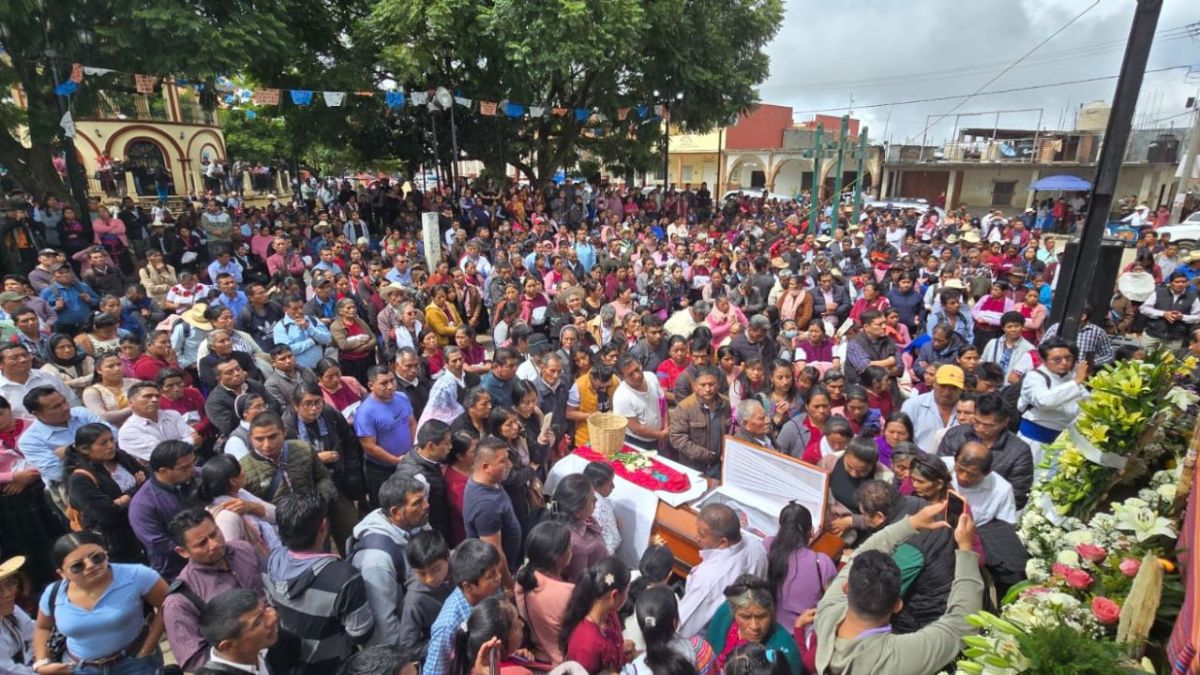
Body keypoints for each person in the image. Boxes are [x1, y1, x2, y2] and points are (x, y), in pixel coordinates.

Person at [813, 503, 982, 675]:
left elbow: (857, 556)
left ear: (846, 588)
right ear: (897, 605)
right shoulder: (893, 658)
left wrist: (912, 523)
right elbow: (962, 624)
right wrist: (966, 550)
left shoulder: (826, 613)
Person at [264, 492, 374, 675]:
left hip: (286, 664)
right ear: (323, 526)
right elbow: (359, 633)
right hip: (331, 666)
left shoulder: (269, 563)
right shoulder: (344, 578)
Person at [33, 532, 170, 675]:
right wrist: (42, 663)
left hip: (135, 663)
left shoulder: (137, 575)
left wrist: (147, 649)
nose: (90, 565)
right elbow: (42, 627)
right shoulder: (53, 593)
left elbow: (168, 606)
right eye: (78, 566)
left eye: (97, 557)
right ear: (62, 573)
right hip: (78, 668)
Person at [162, 508, 267, 673]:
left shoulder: (243, 550)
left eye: (214, 533)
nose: (214, 544)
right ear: (182, 552)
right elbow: (193, 660)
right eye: (202, 543)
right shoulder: (179, 601)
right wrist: (246, 651)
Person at [349, 473, 430, 650]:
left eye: (424, 499)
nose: (426, 506)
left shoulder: (416, 524)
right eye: (418, 503)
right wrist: (404, 660)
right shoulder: (376, 560)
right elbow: (383, 626)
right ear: (395, 512)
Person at [678, 503, 768, 638]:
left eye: (702, 534)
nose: (696, 537)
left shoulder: (708, 579)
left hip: (708, 638)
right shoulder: (756, 546)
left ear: (723, 542)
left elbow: (683, 624)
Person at [18, 386, 109, 513]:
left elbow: (113, 435)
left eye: (64, 401)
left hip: (111, 467)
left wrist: (70, 450)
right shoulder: (30, 440)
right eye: (56, 407)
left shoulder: (81, 413)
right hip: (76, 486)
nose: (65, 408)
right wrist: (96, 448)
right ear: (36, 414)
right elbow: (58, 472)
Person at [63, 423, 145, 562]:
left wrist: (125, 498)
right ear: (84, 449)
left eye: (111, 440)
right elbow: (107, 514)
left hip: (143, 524)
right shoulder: (80, 478)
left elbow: (147, 479)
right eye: (103, 443)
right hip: (117, 541)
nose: (110, 445)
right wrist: (136, 490)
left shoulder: (122, 457)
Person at [936, 392, 1033, 509]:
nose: (980, 429)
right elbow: (937, 471)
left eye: (988, 425)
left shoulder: (1019, 451)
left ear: (1004, 422)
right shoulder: (955, 435)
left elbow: (1018, 496)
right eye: (976, 422)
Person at [423, 539, 504, 675]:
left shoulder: (492, 591)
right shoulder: (447, 626)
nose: (499, 577)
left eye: (497, 570)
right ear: (468, 586)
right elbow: (434, 672)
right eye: (491, 575)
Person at [704, 575, 802, 674]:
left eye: (762, 616)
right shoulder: (724, 614)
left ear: (772, 613)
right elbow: (707, 654)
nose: (754, 626)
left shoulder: (784, 650)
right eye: (745, 617)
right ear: (733, 613)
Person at [128, 440, 197, 579]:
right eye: (185, 467)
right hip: (177, 571)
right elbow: (158, 544)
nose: (192, 469)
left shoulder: (198, 477)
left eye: (193, 463)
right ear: (163, 471)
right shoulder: (143, 504)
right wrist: (199, 549)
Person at [1018, 338, 1089, 467]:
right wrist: (1077, 382)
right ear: (1044, 360)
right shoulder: (1035, 377)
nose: (1064, 363)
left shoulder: (1071, 377)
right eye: (1057, 359)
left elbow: (1086, 404)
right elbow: (1044, 401)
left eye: (1068, 358)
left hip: (1061, 441)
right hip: (1034, 440)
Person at [765, 503, 836, 630]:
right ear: (811, 531)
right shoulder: (821, 562)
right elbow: (835, 601)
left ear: (780, 527)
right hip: (803, 635)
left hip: (767, 628)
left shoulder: (766, 545)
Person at [240, 412, 336, 506]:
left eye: (273, 437)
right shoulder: (242, 470)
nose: (267, 445)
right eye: (259, 439)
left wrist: (320, 503)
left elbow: (323, 477)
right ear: (250, 438)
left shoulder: (303, 449)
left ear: (284, 432)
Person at [514, 520, 575, 664]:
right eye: (569, 547)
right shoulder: (566, 593)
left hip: (538, 656)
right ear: (556, 557)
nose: (572, 550)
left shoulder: (523, 576)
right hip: (564, 662)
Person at [195, 454, 281, 557]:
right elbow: (232, 556)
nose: (244, 471)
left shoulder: (241, 494)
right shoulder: (226, 517)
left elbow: (277, 515)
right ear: (233, 481)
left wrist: (252, 507)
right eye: (240, 468)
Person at [464, 436, 521, 588]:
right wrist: (509, 587)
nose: (509, 465)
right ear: (486, 467)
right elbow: (495, 556)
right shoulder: (486, 506)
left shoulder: (491, 482)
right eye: (503, 461)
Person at [355, 366, 416, 505]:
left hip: (407, 461)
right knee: (386, 506)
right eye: (384, 383)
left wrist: (412, 450)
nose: (390, 387)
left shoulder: (402, 397)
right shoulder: (365, 413)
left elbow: (412, 423)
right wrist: (396, 460)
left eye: (392, 381)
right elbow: (370, 447)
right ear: (371, 385)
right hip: (381, 470)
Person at [560, 557, 633, 672]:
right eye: (626, 590)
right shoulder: (587, 646)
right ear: (614, 595)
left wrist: (620, 650)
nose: (627, 594)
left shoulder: (610, 615)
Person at [397, 530, 453, 665]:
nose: (430, 579)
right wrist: (444, 643)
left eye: (436, 569)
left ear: (447, 557)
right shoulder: (414, 601)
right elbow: (408, 648)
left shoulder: (462, 565)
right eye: (422, 573)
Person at [194, 588, 279, 675]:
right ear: (227, 645)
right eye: (258, 621)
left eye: (265, 608)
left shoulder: (271, 636)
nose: (273, 616)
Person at [394, 419, 452, 539]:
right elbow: (417, 516)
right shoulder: (417, 478)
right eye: (446, 443)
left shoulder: (422, 456)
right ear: (431, 446)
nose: (450, 447)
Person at [448, 596, 535, 675]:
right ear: (499, 644)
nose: (522, 624)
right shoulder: (520, 673)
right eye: (516, 626)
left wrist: (514, 657)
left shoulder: (467, 664)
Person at [669, 366, 729, 477]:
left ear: (718, 385)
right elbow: (677, 437)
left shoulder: (725, 403)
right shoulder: (685, 407)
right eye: (703, 385)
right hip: (694, 466)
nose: (708, 389)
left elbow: (730, 431)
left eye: (711, 384)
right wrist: (704, 454)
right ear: (695, 386)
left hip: (719, 465)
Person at [117, 382, 198, 464]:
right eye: (148, 396)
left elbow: (197, 438)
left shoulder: (172, 415)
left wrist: (186, 442)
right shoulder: (129, 431)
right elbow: (163, 455)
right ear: (131, 403)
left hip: (189, 463)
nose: (155, 399)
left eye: (157, 396)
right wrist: (190, 441)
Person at [951, 441, 1017, 526]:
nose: (962, 477)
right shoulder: (944, 466)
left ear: (987, 473)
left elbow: (1005, 529)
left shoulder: (1002, 491)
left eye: (972, 474)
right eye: (959, 469)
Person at [3, 343, 79, 417]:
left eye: (25, 355)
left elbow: (72, 402)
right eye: (14, 358)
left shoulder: (48, 377)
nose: (23, 360)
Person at [900, 364, 962, 451]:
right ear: (934, 384)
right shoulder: (912, 405)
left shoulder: (966, 410)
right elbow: (901, 438)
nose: (947, 392)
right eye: (943, 386)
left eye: (953, 388)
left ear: (961, 390)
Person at [613, 354, 667, 451]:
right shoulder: (621, 397)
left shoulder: (651, 377)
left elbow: (662, 402)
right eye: (630, 374)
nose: (637, 376)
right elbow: (636, 429)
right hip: (638, 443)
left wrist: (666, 427)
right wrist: (661, 435)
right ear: (622, 377)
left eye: (637, 369)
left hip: (660, 436)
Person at [1140, 271, 1200, 350]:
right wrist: (1163, 313)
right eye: (1177, 282)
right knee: (1144, 358)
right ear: (1171, 282)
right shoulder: (1159, 292)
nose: (1180, 284)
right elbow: (1144, 308)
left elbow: (1198, 317)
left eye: (1183, 282)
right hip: (1153, 334)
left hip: (1175, 337)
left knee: (1168, 361)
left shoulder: (1192, 297)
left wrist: (1183, 317)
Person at [273, 295, 333, 370]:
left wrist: (309, 328)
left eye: (301, 307)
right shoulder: (280, 327)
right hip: (300, 371)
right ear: (285, 310)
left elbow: (328, 339)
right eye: (295, 309)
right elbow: (286, 351)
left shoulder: (313, 320)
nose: (300, 311)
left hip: (320, 369)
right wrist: (311, 341)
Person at [0, 556, 34, 674]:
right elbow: (8, 671)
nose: (8, 593)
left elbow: (34, 634)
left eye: (10, 584)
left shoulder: (12, 611)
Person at [331, 298, 378, 385]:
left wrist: (364, 347)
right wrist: (361, 339)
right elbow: (343, 345)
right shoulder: (336, 326)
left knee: (369, 384)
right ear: (340, 311)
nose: (352, 310)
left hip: (366, 361)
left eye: (354, 307)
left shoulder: (360, 321)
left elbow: (374, 339)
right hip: (350, 364)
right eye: (348, 308)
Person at [39, 335, 94, 399]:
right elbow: (55, 389)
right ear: (52, 351)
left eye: (70, 346)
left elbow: (97, 377)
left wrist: (68, 384)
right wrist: (85, 380)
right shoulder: (47, 369)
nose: (67, 350)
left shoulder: (85, 360)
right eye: (61, 347)